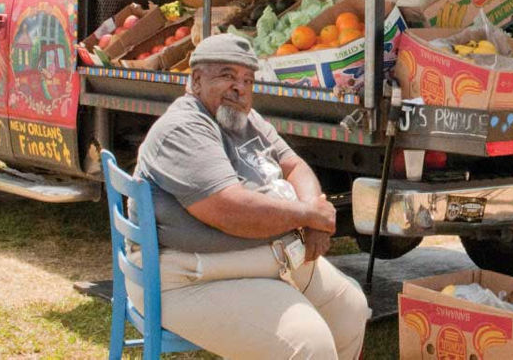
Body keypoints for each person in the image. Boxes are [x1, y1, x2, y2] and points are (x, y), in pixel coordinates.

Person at [129, 34, 370, 359]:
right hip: (189, 277)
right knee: (308, 345)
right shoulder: (184, 129)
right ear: (196, 80)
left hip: (268, 258)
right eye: (227, 75)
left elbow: (294, 166)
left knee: (352, 311)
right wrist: (308, 216)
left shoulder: (244, 118)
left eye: (247, 80)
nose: (239, 88)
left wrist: (313, 213)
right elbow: (231, 210)